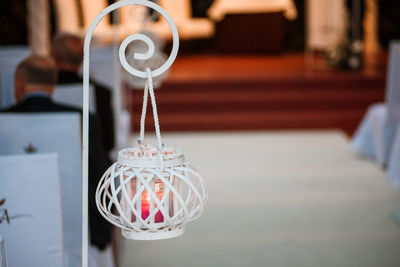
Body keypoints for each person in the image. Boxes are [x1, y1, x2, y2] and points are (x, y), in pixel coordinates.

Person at [0, 55, 114, 264]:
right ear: (53, 85)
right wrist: (102, 234)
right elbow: (103, 178)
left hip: (11, 224)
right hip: (74, 228)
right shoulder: (84, 119)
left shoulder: (2, 121)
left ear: (18, 85)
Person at [51, 33, 115, 155]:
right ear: (82, 58)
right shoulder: (100, 92)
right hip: (89, 164)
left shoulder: (43, 90)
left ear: (53, 56)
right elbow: (108, 141)